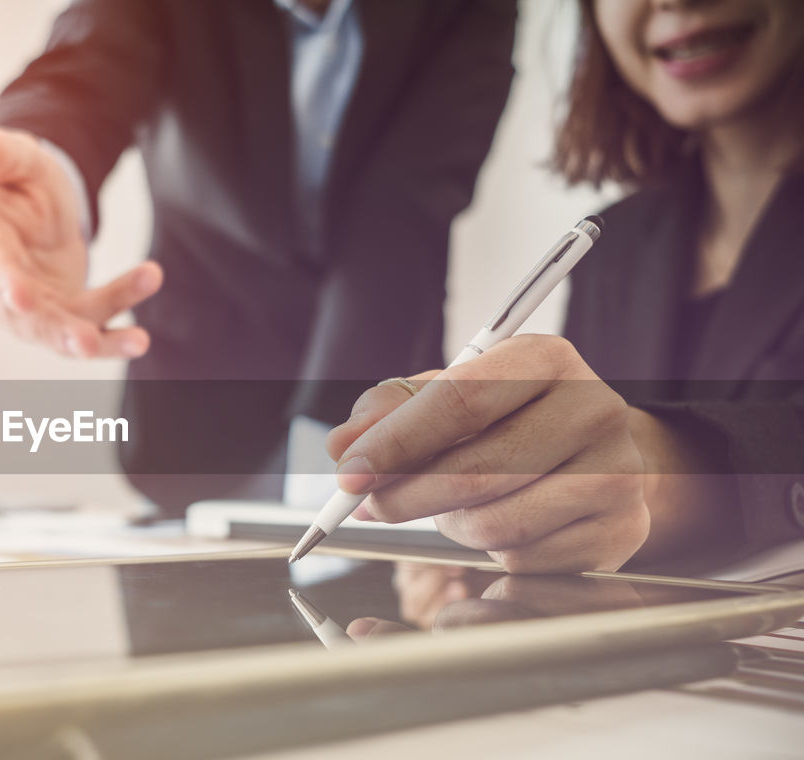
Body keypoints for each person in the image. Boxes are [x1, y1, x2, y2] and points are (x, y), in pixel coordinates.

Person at [0, 0, 517, 510]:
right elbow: (82, 72)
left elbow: (405, 204)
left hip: (377, 394)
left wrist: (338, 452)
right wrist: (44, 163)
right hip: (197, 410)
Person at [328, 0, 804, 576]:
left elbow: (631, 468)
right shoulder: (619, 245)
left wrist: (660, 473)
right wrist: (518, 527)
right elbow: (597, 500)